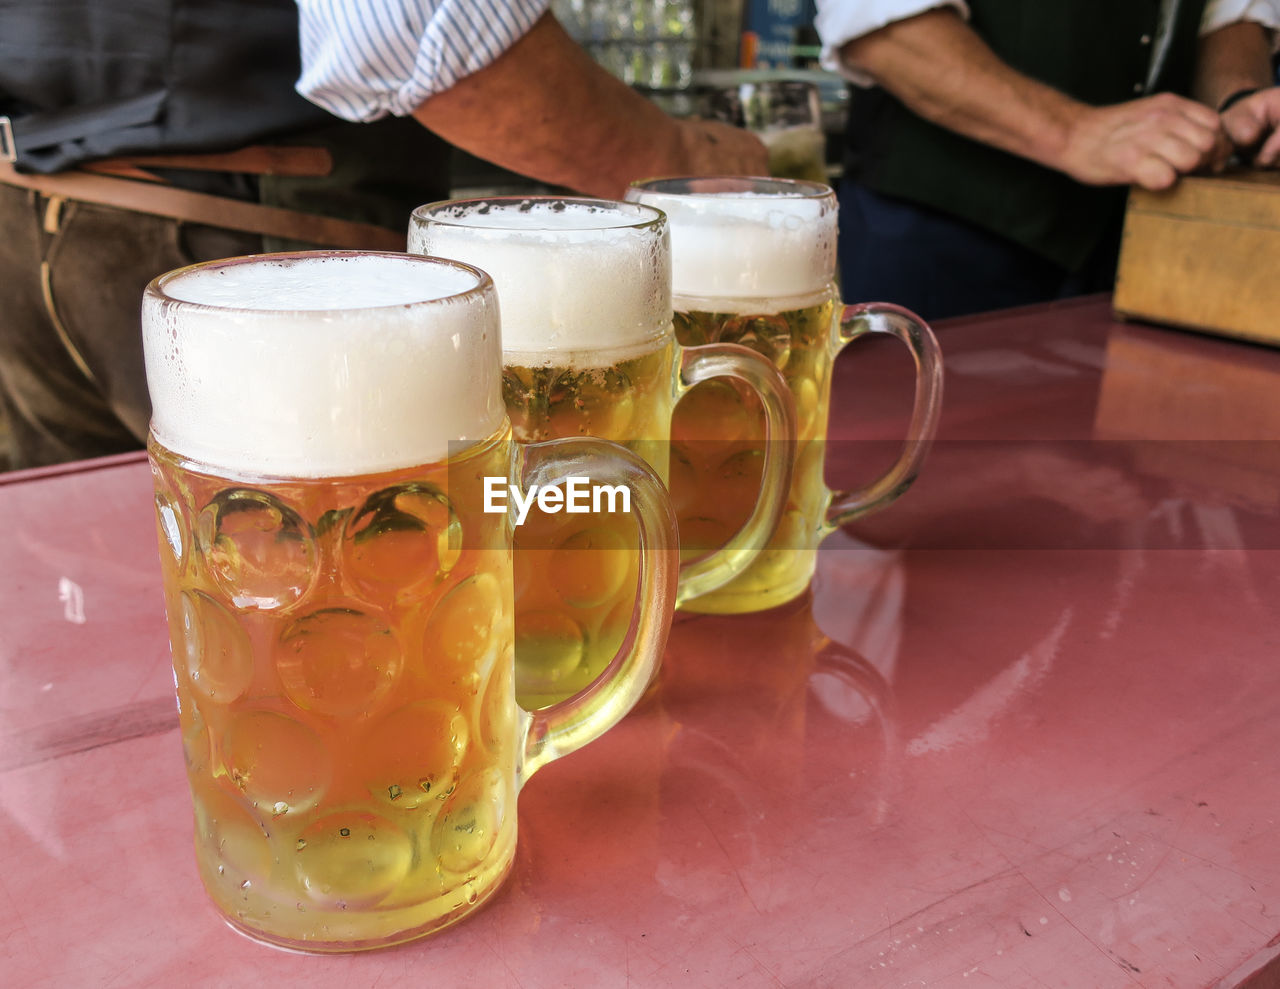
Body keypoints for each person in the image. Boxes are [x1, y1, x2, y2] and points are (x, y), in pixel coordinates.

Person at [0, 0, 767, 471]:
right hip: (260, 244)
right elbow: (404, 27)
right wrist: (671, 161)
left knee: (105, 590)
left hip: (24, 217)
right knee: (333, 592)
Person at [814, 0, 1280, 321]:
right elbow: (879, 23)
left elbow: (1228, 12)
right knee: (932, 454)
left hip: (1140, 236)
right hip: (946, 230)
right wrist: (1075, 132)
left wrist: (1239, 101)